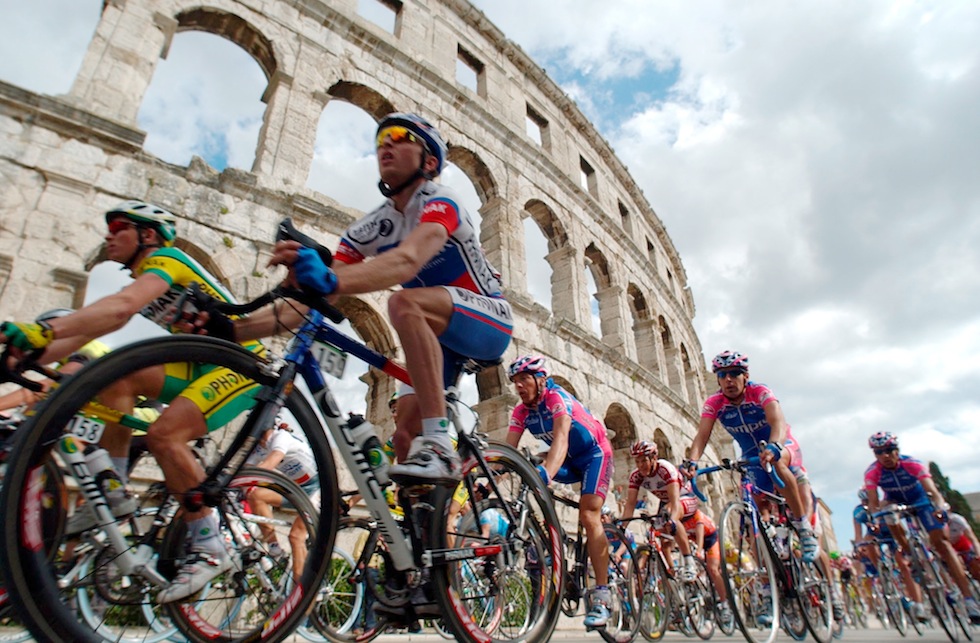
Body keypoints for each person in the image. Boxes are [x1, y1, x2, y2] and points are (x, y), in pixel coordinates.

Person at [0, 200, 266, 603]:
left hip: (242, 364)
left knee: (164, 434)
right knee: (115, 374)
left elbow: (119, 311)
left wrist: (40, 331)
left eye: (119, 227)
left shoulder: (168, 259)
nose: (109, 235)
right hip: (197, 365)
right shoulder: (143, 274)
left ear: (148, 235)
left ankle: (210, 545)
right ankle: (115, 487)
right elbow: (89, 330)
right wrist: (27, 353)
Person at [248, 113, 513, 488]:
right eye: (379, 139)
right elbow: (312, 302)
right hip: (438, 336)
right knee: (402, 436)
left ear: (430, 161)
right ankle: (419, 533)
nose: (385, 143)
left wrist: (327, 276)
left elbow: (407, 260)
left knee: (404, 304)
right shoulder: (370, 227)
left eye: (399, 136)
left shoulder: (442, 200)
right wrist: (233, 329)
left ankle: (439, 445)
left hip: (488, 319)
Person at [504, 354, 614, 629]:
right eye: (515, 381)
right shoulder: (521, 412)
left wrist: (545, 475)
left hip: (593, 454)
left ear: (541, 379)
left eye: (524, 379)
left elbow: (561, 441)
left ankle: (602, 594)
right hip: (566, 461)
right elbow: (506, 454)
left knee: (590, 514)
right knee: (528, 462)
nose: (519, 386)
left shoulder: (557, 398)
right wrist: (484, 480)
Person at [685, 351, 821, 563]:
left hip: (780, 444)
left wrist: (775, 446)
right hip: (751, 454)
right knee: (752, 515)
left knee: (775, 462)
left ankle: (803, 527)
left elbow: (778, 422)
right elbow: (702, 437)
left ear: (745, 376)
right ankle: (767, 580)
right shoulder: (715, 403)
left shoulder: (759, 391)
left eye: (734, 373)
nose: (728, 379)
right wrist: (692, 462)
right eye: (722, 375)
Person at [863, 431, 980, 621]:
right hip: (895, 501)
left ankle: (969, 600)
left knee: (942, 544)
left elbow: (933, 491)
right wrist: (875, 520)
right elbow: (874, 502)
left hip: (920, 499)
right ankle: (909, 551)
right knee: (888, 511)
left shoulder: (912, 463)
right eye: (878, 452)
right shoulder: (872, 472)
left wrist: (940, 507)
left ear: (896, 450)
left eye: (888, 450)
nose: (884, 455)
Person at [245, 416, 319, 580]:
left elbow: (270, 463)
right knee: (256, 495)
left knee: (296, 537)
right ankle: (275, 549)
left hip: (318, 488)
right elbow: (245, 471)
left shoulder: (280, 437)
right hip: (298, 489)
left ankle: (301, 594)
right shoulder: (259, 448)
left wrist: (243, 480)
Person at [621, 439, 699, 582]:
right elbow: (630, 504)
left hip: (684, 497)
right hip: (665, 503)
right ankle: (673, 575)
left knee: (670, 518)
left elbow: (675, 502)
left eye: (644, 461)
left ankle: (689, 562)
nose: (640, 466)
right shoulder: (636, 475)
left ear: (654, 458)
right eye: (637, 462)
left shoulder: (665, 469)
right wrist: (622, 526)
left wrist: (672, 520)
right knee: (663, 541)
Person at [853, 486, 926, 620]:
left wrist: (904, 545)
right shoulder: (859, 512)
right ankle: (881, 571)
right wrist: (858, 546)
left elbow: (901, 528)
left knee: (903, 566)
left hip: (892, 534)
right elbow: (858, 534)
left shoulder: (884, 505)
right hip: (875, 535)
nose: (867, 504)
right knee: (867, 542)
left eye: (869, 500)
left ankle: (918, 604)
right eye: (864, 501)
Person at [947, 512, 980, 583]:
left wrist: (978, 555)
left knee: (976, 564)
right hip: (950, 546)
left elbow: (973, 539)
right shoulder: (937, 523)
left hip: (962, 543)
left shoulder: (957, 519)